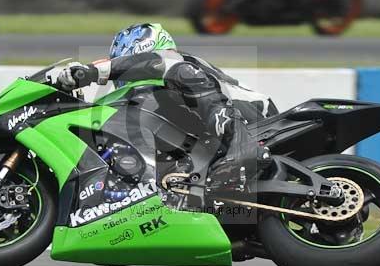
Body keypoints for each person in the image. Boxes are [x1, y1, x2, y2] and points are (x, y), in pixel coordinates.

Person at [56, 23, 275, 191]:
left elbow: (153, 63)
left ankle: (241, 145)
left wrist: (91, 72)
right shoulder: (164, 97)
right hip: (213, 145)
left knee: (178, 75)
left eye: (124, 62)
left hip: (257, 121)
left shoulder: (174, 63)